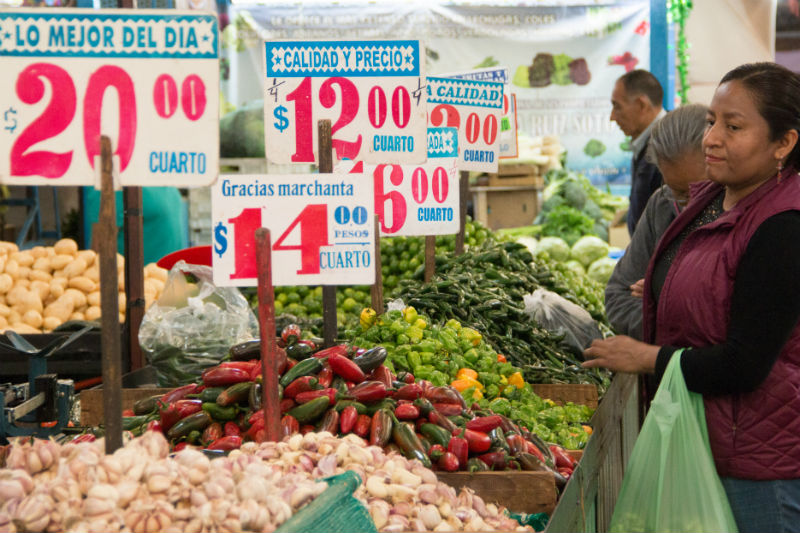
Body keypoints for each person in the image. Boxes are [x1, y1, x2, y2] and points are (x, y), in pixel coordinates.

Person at [584, 62, 800, 533]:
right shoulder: (710, 198)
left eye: (734, 126)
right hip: (711, 442)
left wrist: (647, 356)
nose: (712, 139)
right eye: (711, 121)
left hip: (760, 466)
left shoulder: (784, 225)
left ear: (784, 143)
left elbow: (744, 363)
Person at [605, 104, 708, 340]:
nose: (689, 205)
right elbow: (617, 296)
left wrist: (660, 299)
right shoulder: (661, 205)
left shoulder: (744, 214)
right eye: (679, 192)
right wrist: (665, 320)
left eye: (700, 191)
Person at [610, 69, 666, 236]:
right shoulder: (646, 144)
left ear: (642, 105)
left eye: (617, 106)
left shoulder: (667, 147)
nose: (612, 117)